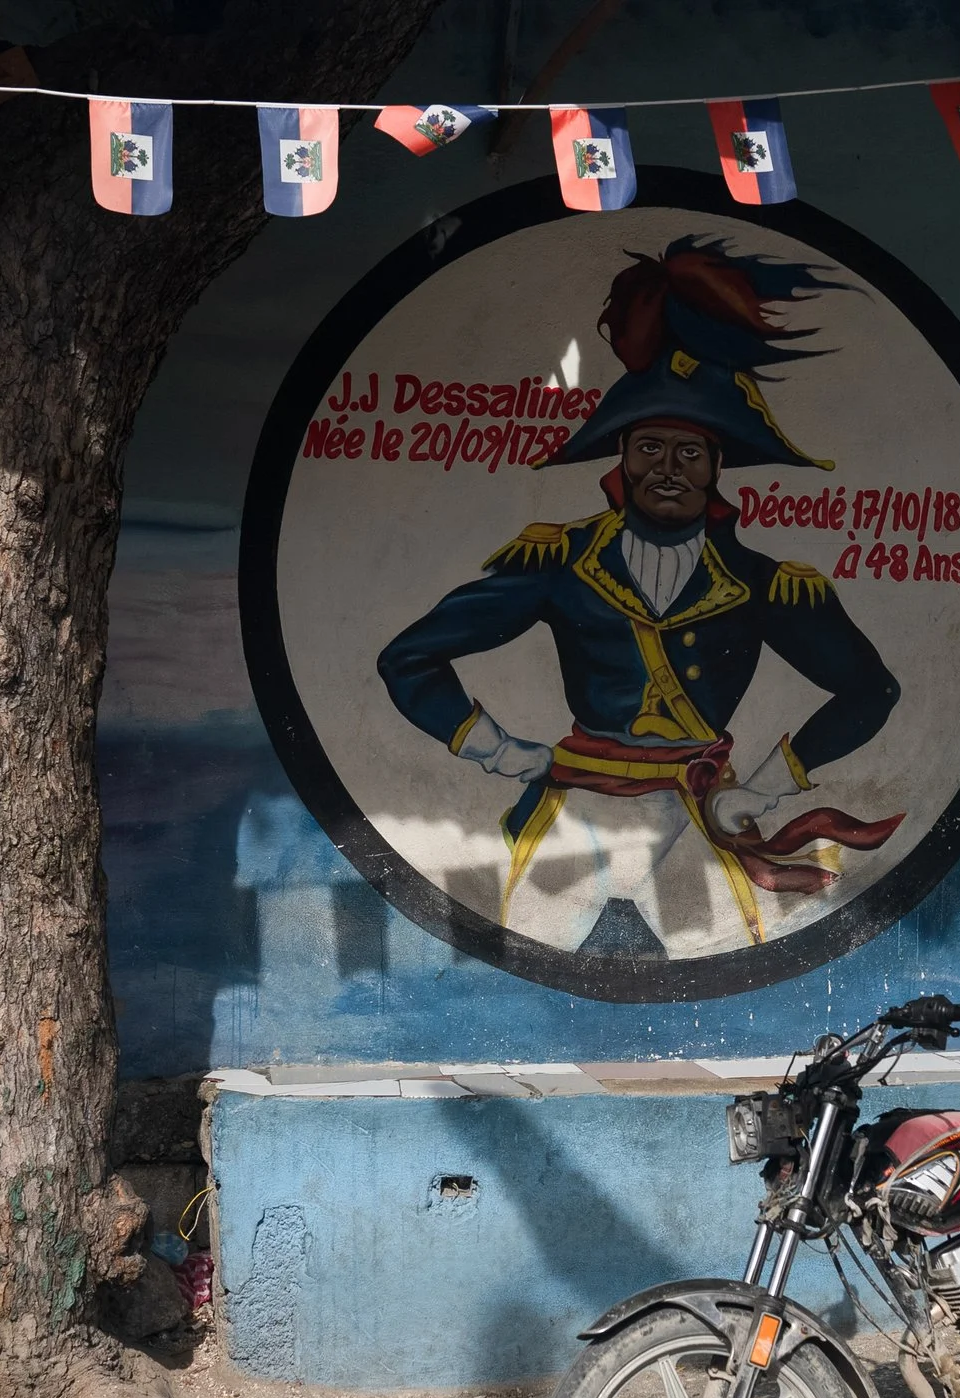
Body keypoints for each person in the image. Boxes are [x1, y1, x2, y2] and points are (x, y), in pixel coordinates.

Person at [377, 237, 901, 957]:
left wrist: (771, 786)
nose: (668, 468)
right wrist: (503, 754)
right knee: (542, 959)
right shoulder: (557, 561)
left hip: (703, 814)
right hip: (577, 813)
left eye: (689, 452)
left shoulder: (762, 583)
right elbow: (409, 659)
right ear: (621, 458)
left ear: (718, 467)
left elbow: (869, 690)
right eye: (649, 447)